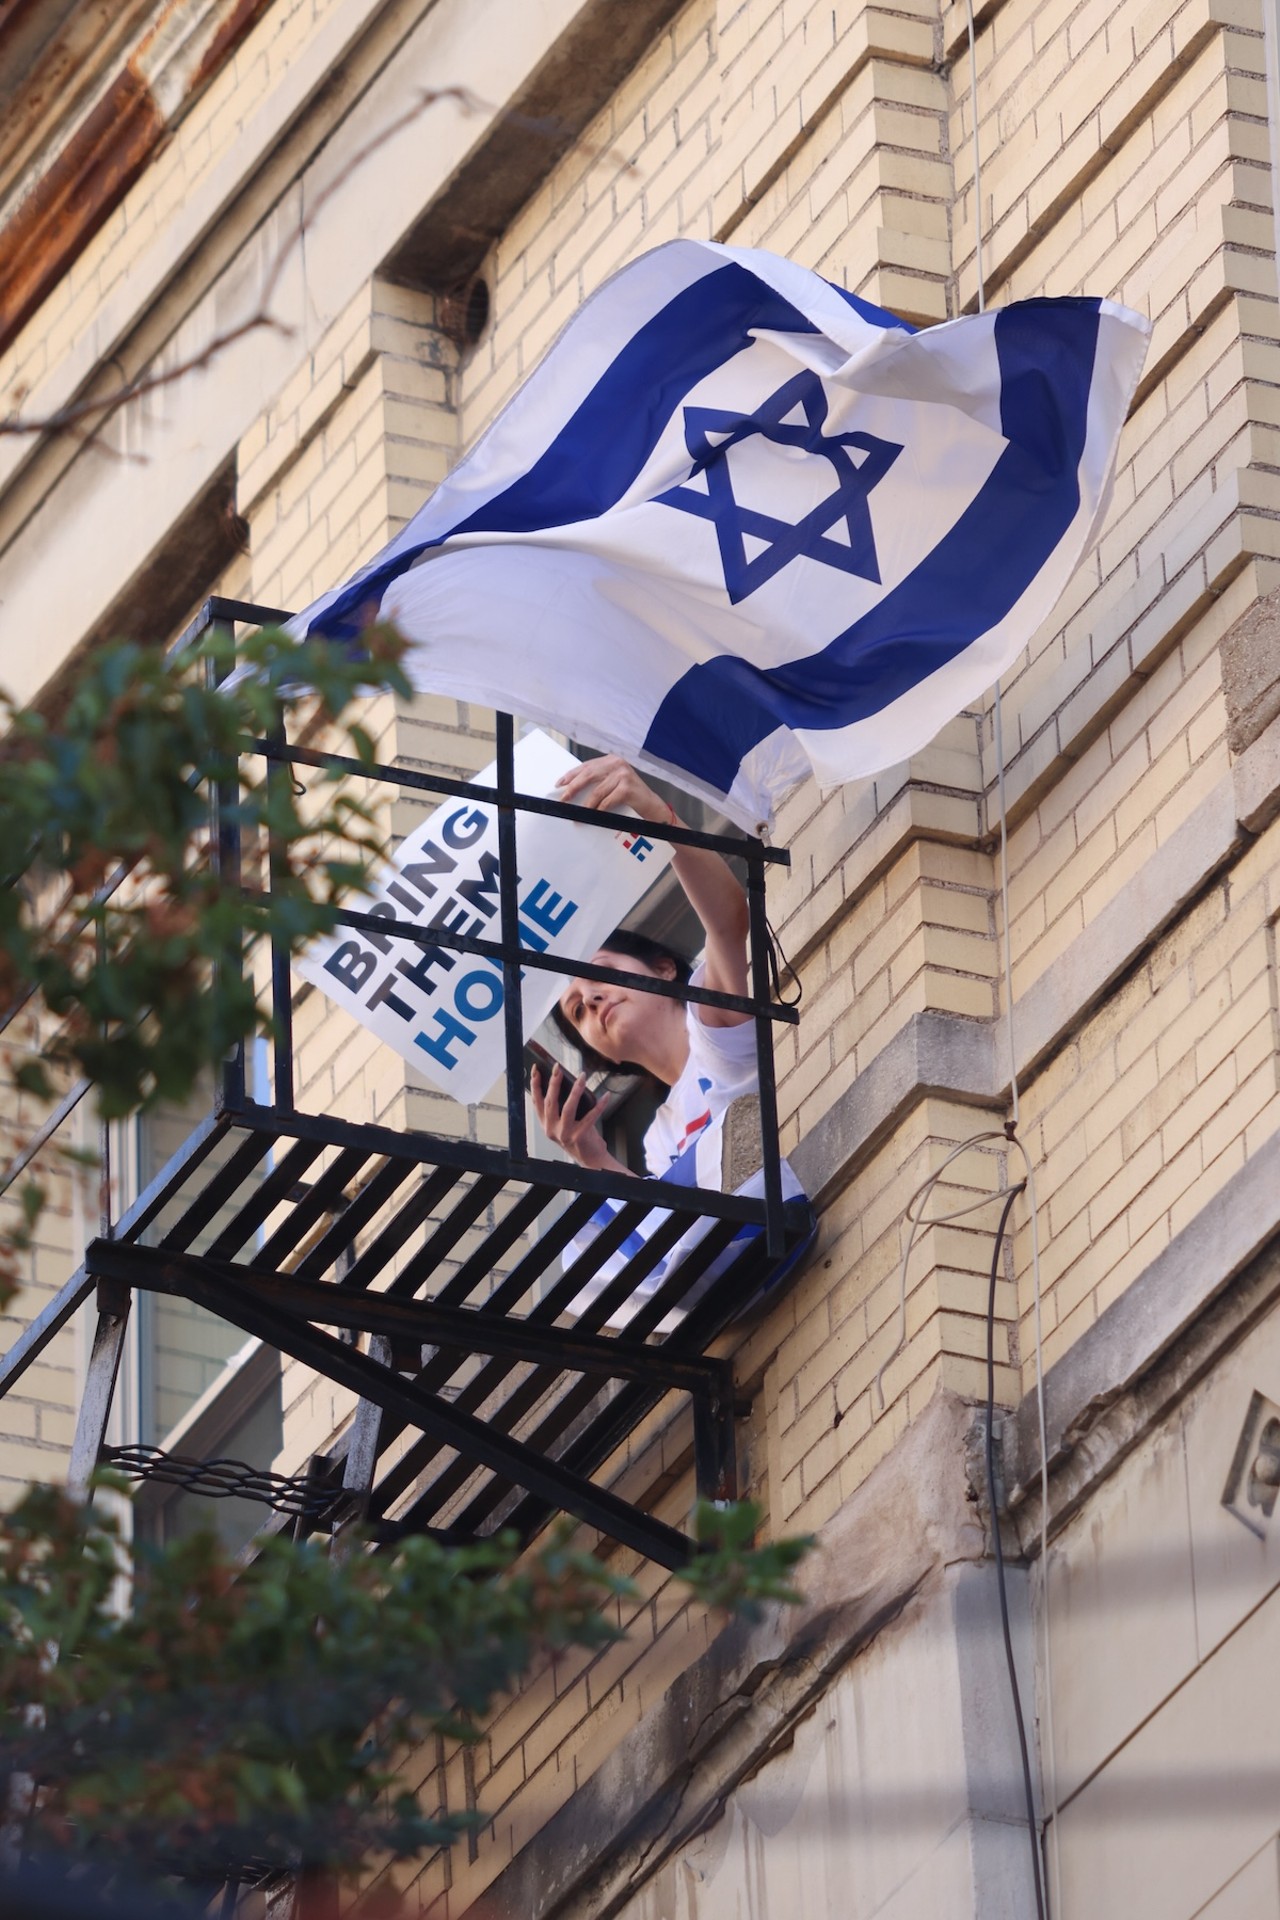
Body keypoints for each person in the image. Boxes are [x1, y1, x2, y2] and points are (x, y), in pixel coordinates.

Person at [529, 756, 759, 1182]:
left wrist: (657, 816)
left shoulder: (711, 1027)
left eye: (599, 972)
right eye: (577, 1011)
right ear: (602, 1054)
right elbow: (672, 1237)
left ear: (665, 968)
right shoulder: (658, 1140)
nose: (591, 999)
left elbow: (728, 923)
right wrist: (592, 1157)